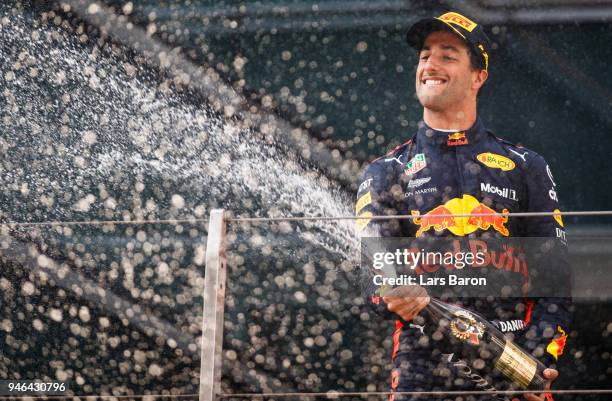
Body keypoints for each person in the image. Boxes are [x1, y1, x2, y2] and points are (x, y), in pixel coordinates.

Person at [354, 11, 571, 401]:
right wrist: (392, 293)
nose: (430, 65)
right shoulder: (385, 171)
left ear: (478, 77)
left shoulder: (526, 166)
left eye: (448, 55)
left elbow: (555, 285)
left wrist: (536, 360)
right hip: (422, 365)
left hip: (510, 361)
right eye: (424, 55)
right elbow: (369, 282)